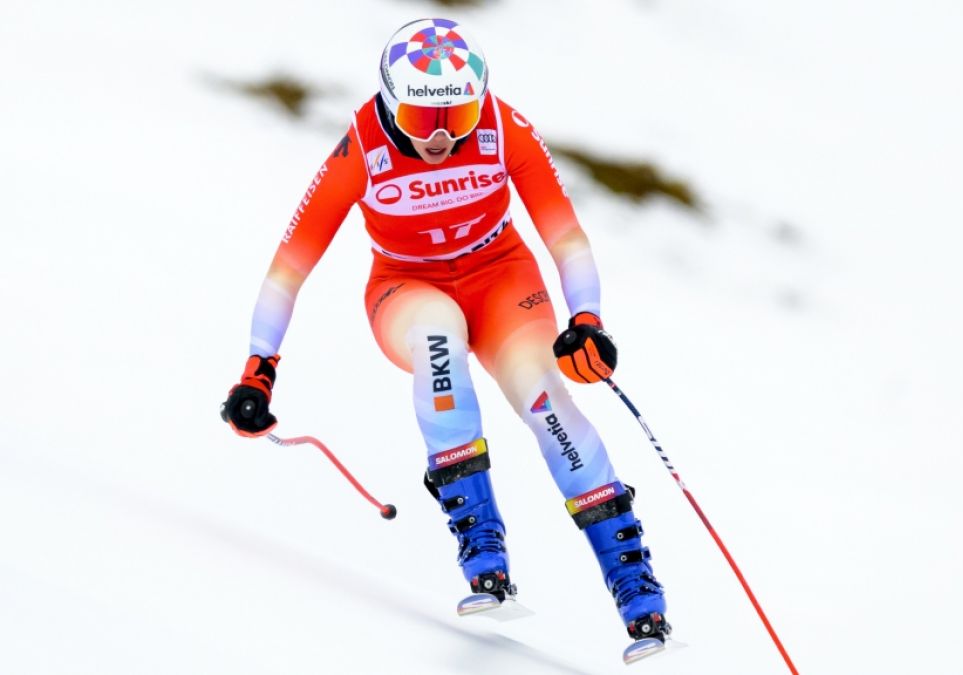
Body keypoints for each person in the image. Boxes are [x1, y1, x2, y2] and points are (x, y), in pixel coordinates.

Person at [219, 17, 670, 644]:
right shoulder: (361, 147)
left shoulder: (502, 127)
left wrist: (587, 320)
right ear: (386, 99)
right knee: (438, 341)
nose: (438, 137)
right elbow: (289, 266)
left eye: (456, 119)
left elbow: (564, 233)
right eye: (421, 118)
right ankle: (482, 548)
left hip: (502, 279)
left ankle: (636, 588)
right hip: (407, 288)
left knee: (546, 399)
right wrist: (258, 369)